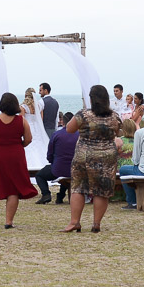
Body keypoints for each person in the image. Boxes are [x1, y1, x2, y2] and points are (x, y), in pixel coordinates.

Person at [62, 85, 123, 233]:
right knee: (101, 190)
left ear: (91, 99)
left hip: (84, 155)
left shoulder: (83, 115)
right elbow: (118, 132)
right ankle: (96, 224)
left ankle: (75, 222)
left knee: (78, 187)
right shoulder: (114, 116)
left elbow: (69, 129)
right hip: (106, 156)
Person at [0, 93, 37, 229]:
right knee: (13, 188)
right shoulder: (21, 121)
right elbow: (28, 139)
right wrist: (18, 145)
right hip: (16, 155)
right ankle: (9, 221)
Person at [35, 111, 77, 204]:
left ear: (63, 122)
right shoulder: (79, 135)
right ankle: (60, 196)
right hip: (76, 168)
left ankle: (46, 194)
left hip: (59, 168)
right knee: (67, 174)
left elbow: (50, 153)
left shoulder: (57, 134)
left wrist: (52, 161)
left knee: (39, 175)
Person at [22, 87, 52, 171]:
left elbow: (21, 121)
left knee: (29, 146)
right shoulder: (39, 106)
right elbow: (40, 120)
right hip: (37, 129)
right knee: (39, 146)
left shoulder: (23, 107)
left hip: (28, 128)